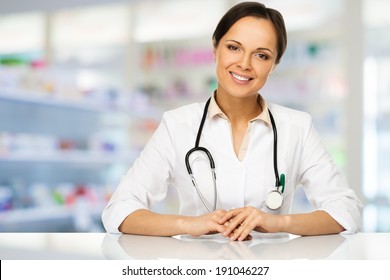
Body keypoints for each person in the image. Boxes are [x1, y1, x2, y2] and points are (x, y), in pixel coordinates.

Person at [102, 1, 362, 241]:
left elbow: (346, 211)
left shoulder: (297, 127)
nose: (244, 64)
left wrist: (278, 222)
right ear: (215, 49)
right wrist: (188, 224)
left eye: (261, 55)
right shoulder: (177, 125)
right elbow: (119, 210)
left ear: (274, 65)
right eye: (234, 48)